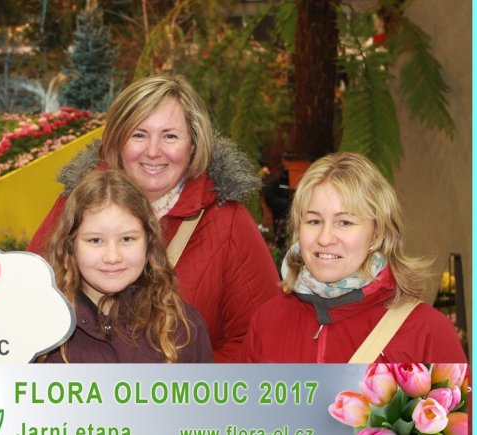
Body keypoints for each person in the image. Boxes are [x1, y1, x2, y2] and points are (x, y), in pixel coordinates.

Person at [28, 74, 280, 362]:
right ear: (117, 141)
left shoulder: (228, 222)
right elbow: (25, 311)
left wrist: (183, 380)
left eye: (170, 136)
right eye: (139, 135)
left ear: (193, 145)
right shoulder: (75, 206)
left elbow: (260, 338)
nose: (153, 151)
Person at [241, 152, 468, 363]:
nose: (325, 238)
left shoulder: (426, 334)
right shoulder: (266, 323)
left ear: (377, 233)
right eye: (314, 221)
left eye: (345, 222)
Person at [40, 169, 212, 363]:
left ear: (149, 241)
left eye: (127, 239)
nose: (113, 257)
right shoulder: (41, 330)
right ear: (70, 245)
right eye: (95, 240)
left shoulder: (183, 328)